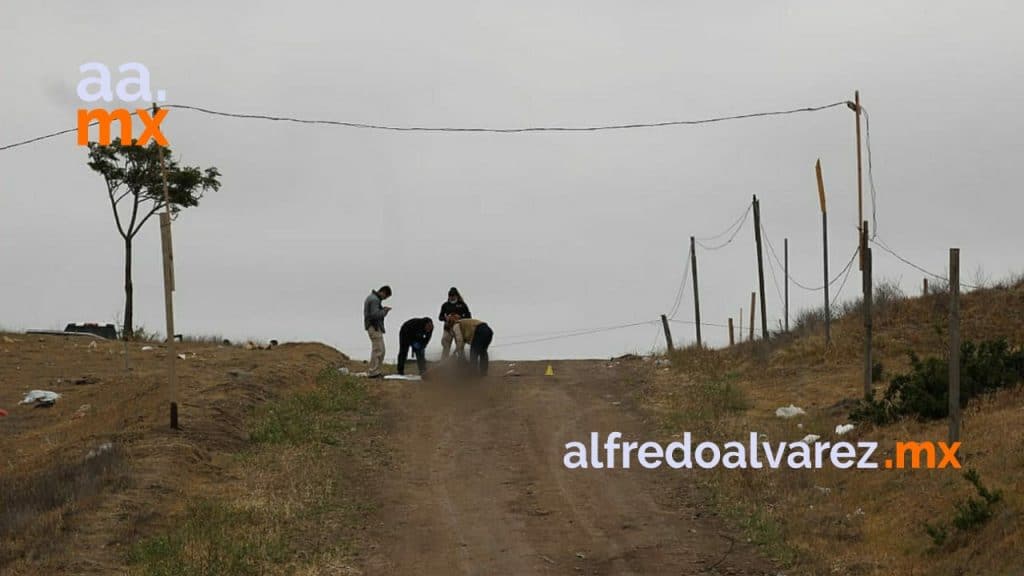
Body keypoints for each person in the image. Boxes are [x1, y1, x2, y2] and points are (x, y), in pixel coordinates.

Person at [363, 285, 392, 378]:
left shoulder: (372, 298)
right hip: (374, 327)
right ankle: (373, 372)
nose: (385, 298)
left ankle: (376, 371)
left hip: (374, 327)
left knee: (381, 350)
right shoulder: (375, 300)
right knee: (378, 350)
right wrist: (384, 311)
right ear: (383, 292)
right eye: (386, 296)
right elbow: (375, 315)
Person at [439, 287, 471, 360]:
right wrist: (446, 318)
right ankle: (444, 361)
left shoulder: (462, 304)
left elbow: (468, 316)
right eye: (450, 296)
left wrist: (459, 317)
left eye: (453, 296)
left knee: (460, 344)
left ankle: (462, 361)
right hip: (448, 327)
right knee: (445, 343)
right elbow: (440, 317)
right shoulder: (445, 305)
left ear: (457, 296)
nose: (452, 298)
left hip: (459, 327)